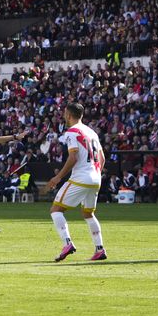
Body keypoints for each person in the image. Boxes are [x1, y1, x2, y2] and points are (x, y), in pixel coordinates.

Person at [47, 102, 107, 262]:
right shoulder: (92, 132)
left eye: (65, 113)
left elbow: (73, 157)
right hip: (96, 178)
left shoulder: (72, 132)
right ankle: (99, 248)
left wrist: (58, 177)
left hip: (81, 177)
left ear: (69, 115)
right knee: (88, 213)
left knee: (56, 209)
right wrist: (95, 174)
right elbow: (102, 158)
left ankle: (67, 243)